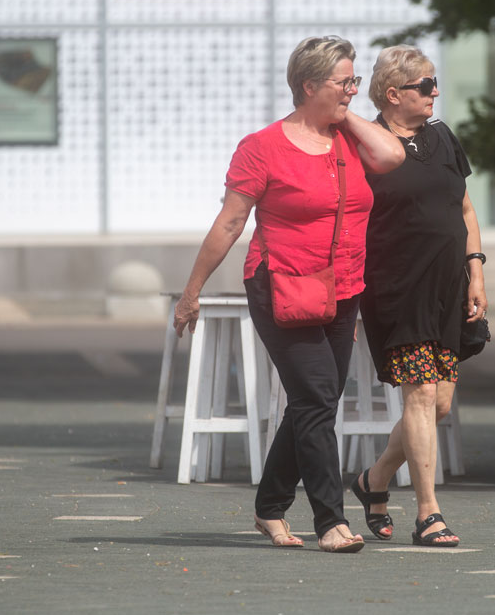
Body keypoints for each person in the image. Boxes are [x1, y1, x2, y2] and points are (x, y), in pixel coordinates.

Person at [173, 36, 404, 553]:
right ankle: (331, 521)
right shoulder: (262, 147)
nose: (353, 90)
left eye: (354, 81)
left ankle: (269, 506)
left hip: (343, 287)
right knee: (318, 397)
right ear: (308, 85)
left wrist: (344, 115)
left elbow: (392, 154)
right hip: (281, 284)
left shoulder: (349, 140)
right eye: (344, 82)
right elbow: (231, 222)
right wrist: (192, 292)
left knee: (313, 401)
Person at [349, 45, 487, 547]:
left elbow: (465, 210)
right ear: (392, 94)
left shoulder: (443, 136)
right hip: (396, 288)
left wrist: (477, 272)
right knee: (422, 394)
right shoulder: (367, 146)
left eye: (433, 83)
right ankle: (429, 514)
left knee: (439, 404)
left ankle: (374, 480)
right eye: (425, 85)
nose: (435, 92)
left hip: (449, 285)